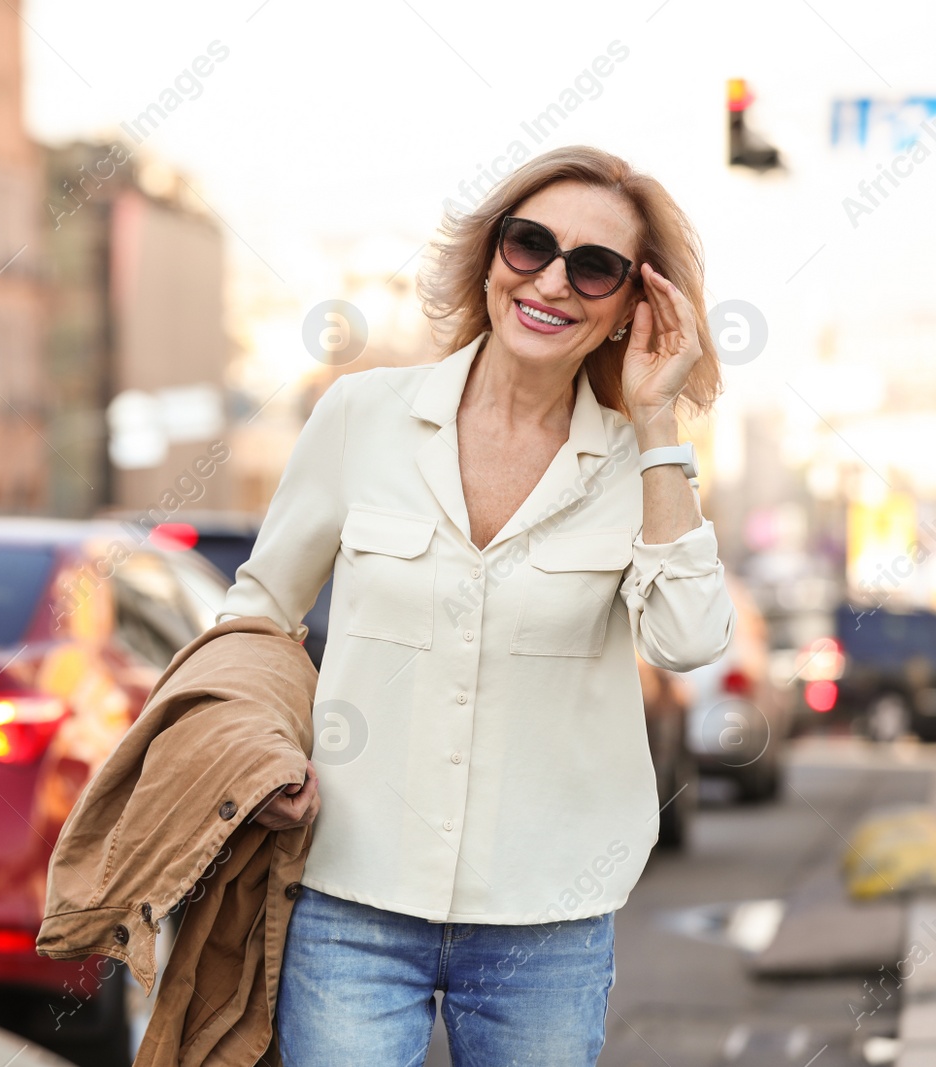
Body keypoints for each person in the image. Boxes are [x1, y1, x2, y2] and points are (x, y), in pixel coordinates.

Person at [218, 145, 736, 1065]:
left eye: (595, 266)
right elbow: (257, 612)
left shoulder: (637, 465)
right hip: (350, 896)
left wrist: (659, 424)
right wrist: (257, 757)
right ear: (490, 255)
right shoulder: (361, 416)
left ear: (631, 306)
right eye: (529, 243)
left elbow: (690, 639)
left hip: (548, 920)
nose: (551, 281)